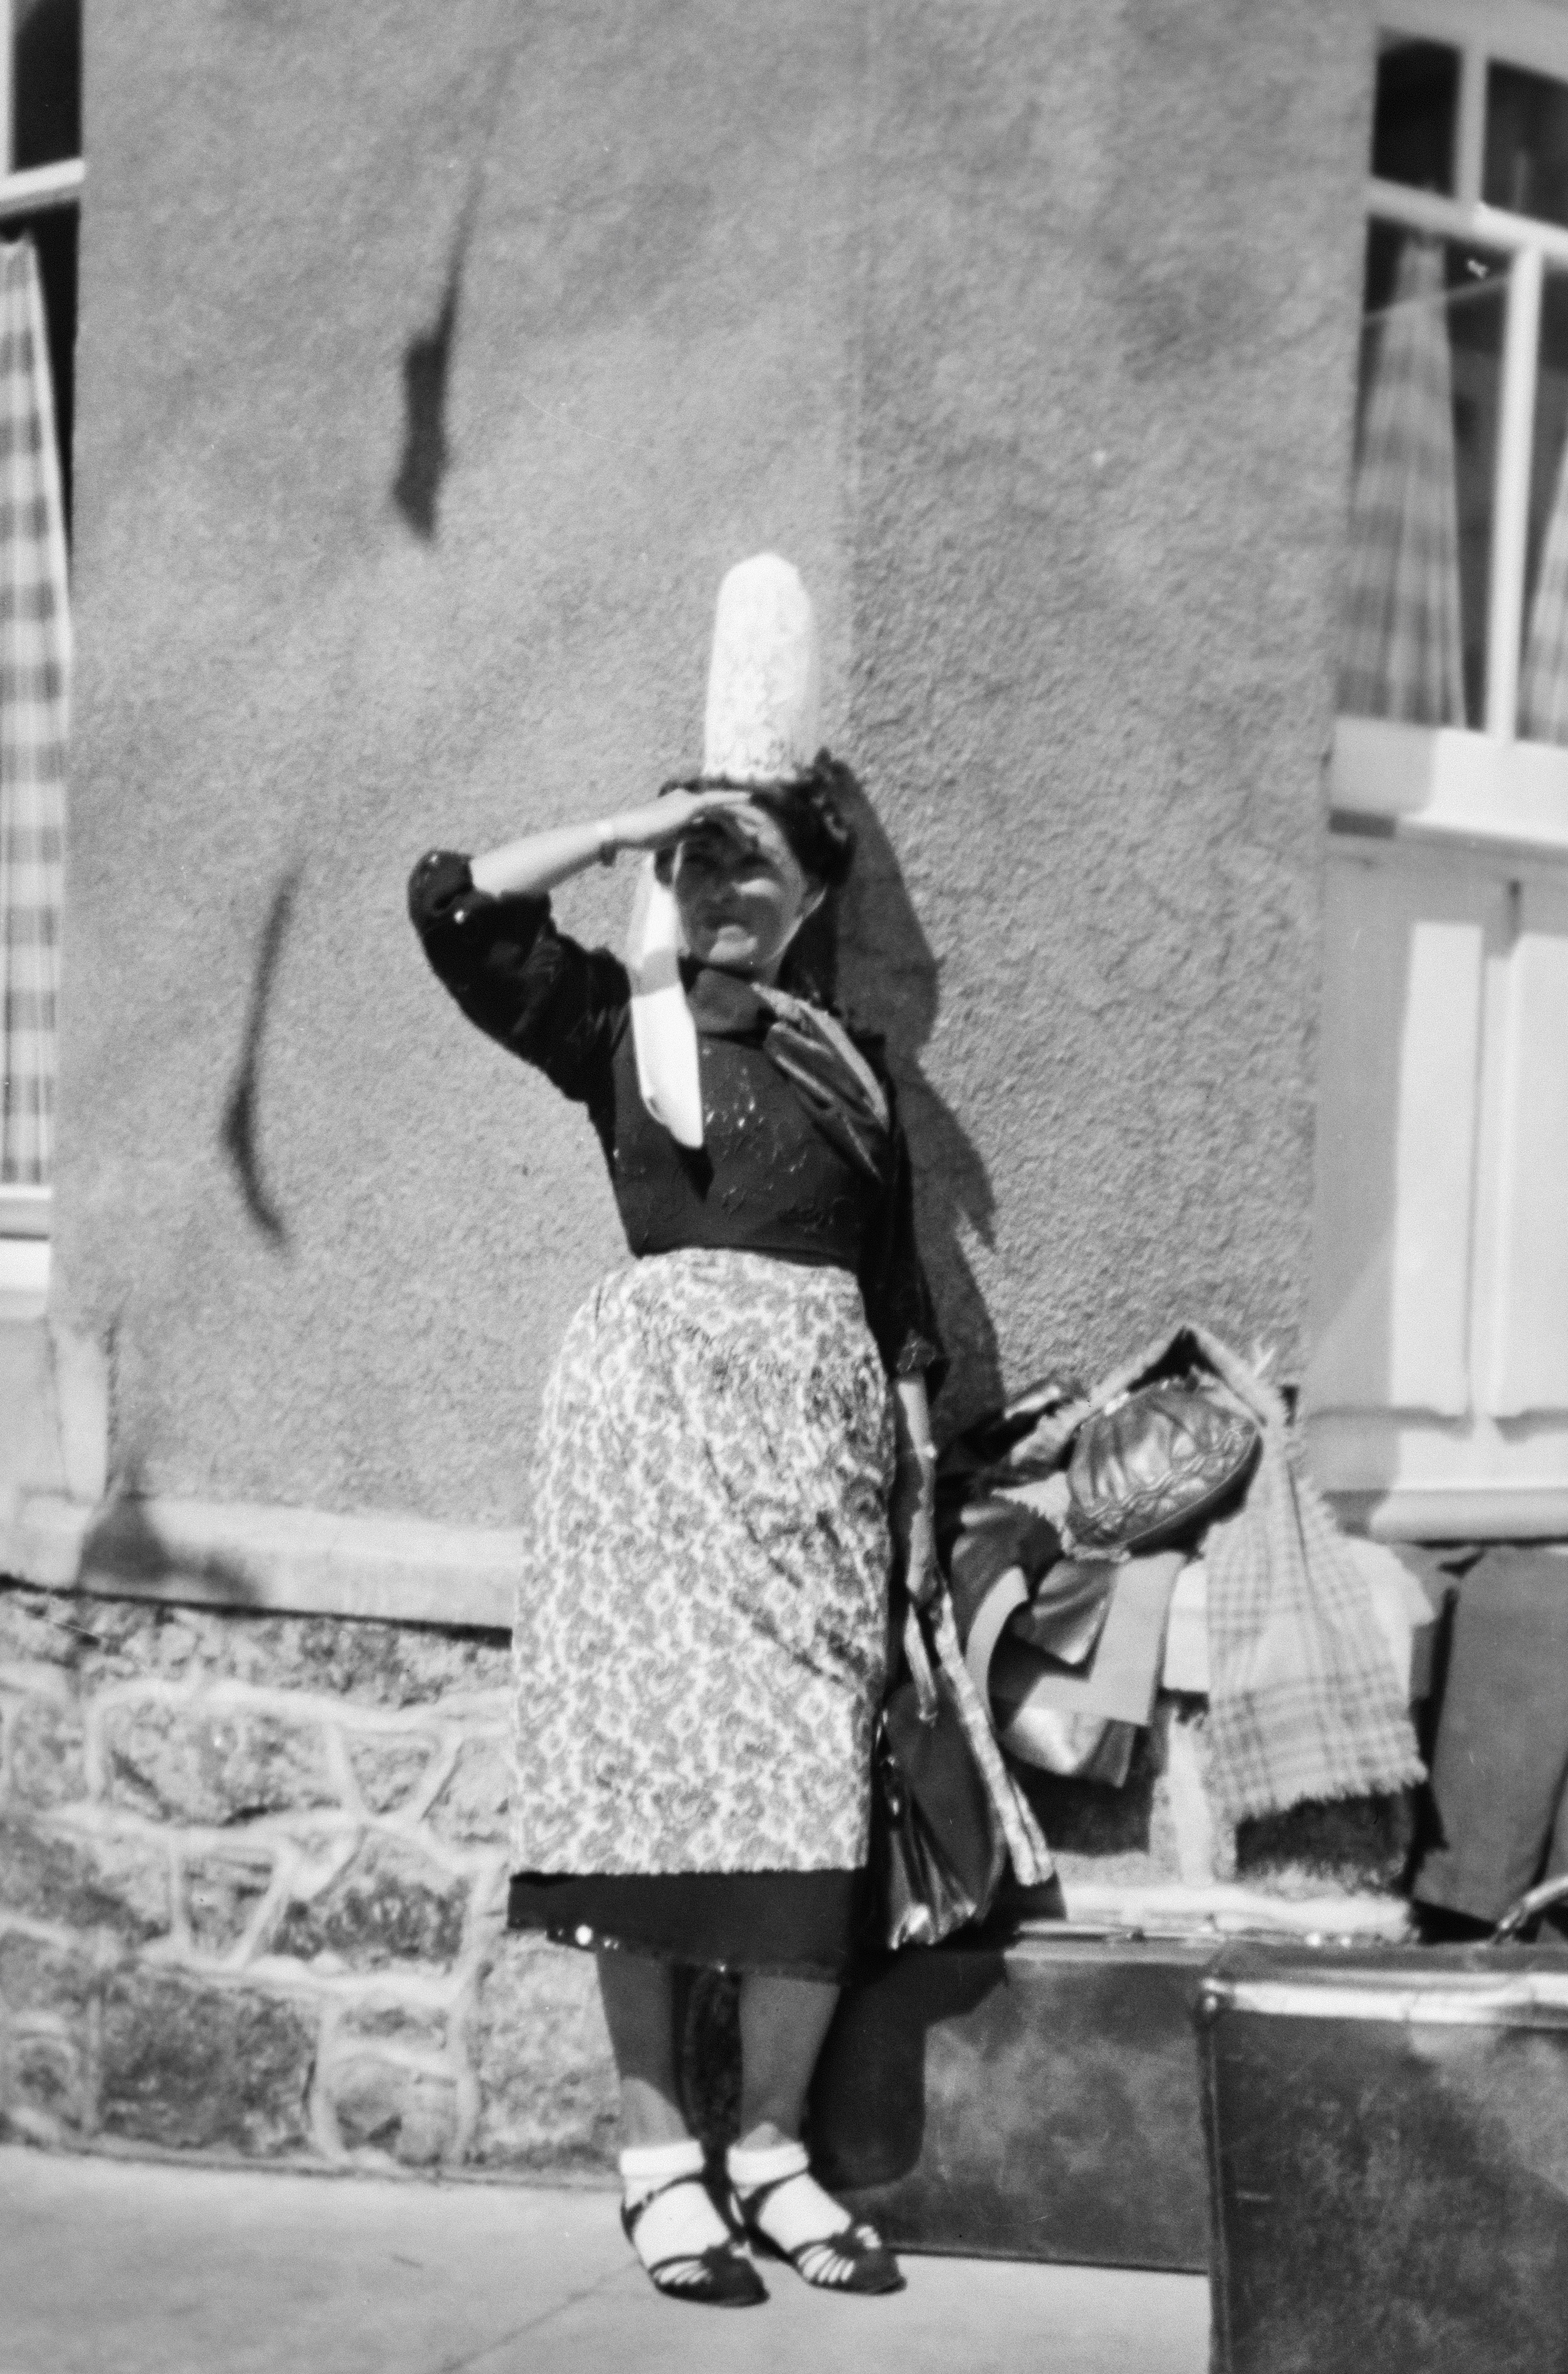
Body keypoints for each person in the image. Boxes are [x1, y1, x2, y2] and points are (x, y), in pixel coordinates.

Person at [408, 750, 944, 2309]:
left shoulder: (852, 1063)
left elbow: (900, 1299)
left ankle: (771, 2154)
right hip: (647, 1460)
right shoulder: (613, 1024)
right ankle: (660, 2162)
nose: (718, 893)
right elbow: (448, 905)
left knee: (803, 1803)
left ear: (814, 894)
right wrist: (619, 835)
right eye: (695, 866)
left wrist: (913, 1492)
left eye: (749, 865)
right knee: (638, 1789)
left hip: (817, 1477)